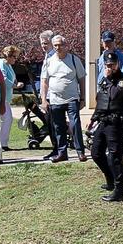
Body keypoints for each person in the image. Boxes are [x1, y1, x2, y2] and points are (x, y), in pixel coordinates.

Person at [89, 51, 123, 201]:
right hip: (103, 121)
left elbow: (114, 95)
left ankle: (119, 191)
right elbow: (101, 100)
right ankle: (110, 179)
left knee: (115, 157)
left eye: (112, 65)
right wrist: (93, 119)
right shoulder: (104, 80)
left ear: (117, 64)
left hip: (115, 122)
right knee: (96, 153)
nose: (110, 68)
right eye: (107, 65)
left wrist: (107, 79)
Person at [39, 35, 85, 163]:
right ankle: (62, 153)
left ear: (66, 46)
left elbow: (82, 79)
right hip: (55, 100)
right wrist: (44, 99)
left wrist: (82, 98)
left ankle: (80, 152)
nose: (58, 48)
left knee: (75, 124)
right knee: (58, 127)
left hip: (72, 98)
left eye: (60, 45)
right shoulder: (49, 61)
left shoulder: (74, 60)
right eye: (56, 46)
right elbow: (44, 81)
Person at [0, 45, 21, 154]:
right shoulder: (1, 63)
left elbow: (12, 78)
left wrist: (16, 83)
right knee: (5, 119)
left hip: (5, 97)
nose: (16, 59)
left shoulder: (9, 65)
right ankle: (2, 144)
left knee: (6, 119)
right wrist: (15, 86)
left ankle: (3, 143)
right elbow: (3, 79)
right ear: (8, 56)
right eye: (14, 57)